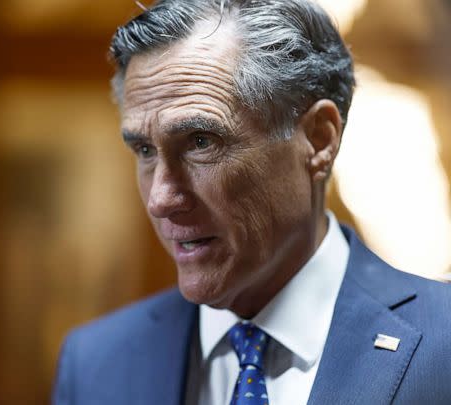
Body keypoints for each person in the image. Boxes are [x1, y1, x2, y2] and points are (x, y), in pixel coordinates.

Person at [53, 0, 451, 404]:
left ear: (318, 139)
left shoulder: (443, 346)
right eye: (145, 150)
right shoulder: (94, 365)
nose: (161, 199)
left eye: (200, 142)